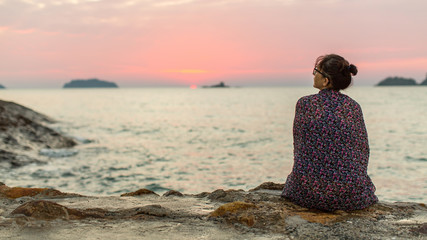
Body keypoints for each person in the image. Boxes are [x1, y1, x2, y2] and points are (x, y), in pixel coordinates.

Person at [281, 54, 378, 211]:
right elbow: (363, 150)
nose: (313, 75)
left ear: (326, 80)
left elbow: (299, 149)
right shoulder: (353, 107)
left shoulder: (305, 104)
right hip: (351, 196)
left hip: (307, 193)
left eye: (316, 71)